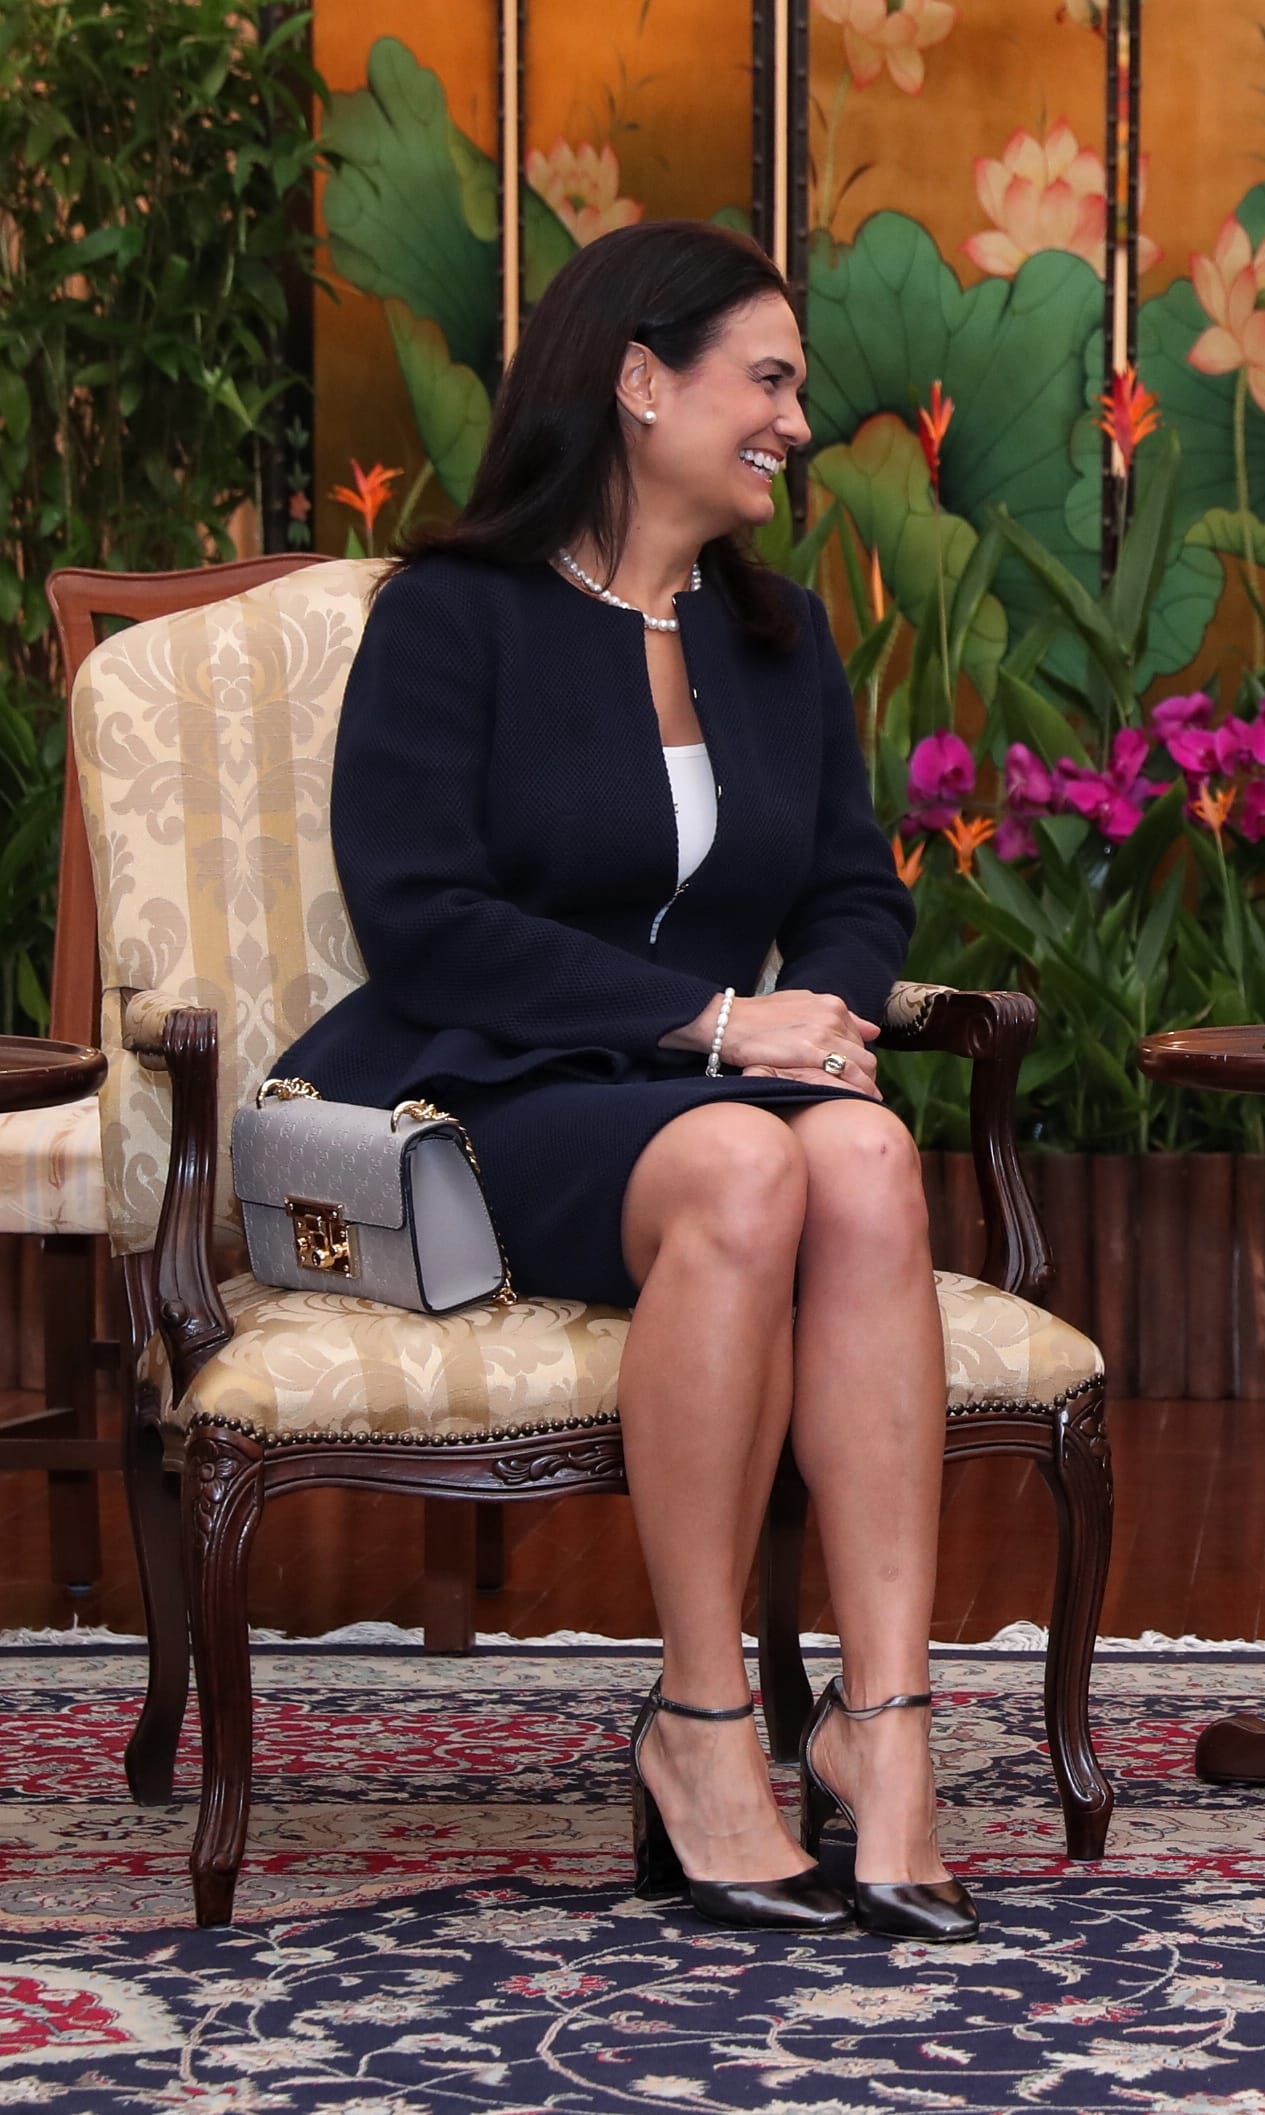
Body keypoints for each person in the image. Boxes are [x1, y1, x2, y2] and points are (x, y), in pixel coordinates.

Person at [272, 222, 974, 1943]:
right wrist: (717, 1027)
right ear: (641, 381)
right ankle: (701, 1721)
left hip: (701, 1089)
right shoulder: (453, 617)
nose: (796, 423)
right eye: (768, 381)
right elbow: (422, 919)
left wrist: (817, 1013)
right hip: (486, 1089)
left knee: (865, 1158)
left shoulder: (779, 636)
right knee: (745, 1159)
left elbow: (853, 891)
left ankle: (884, 1729)